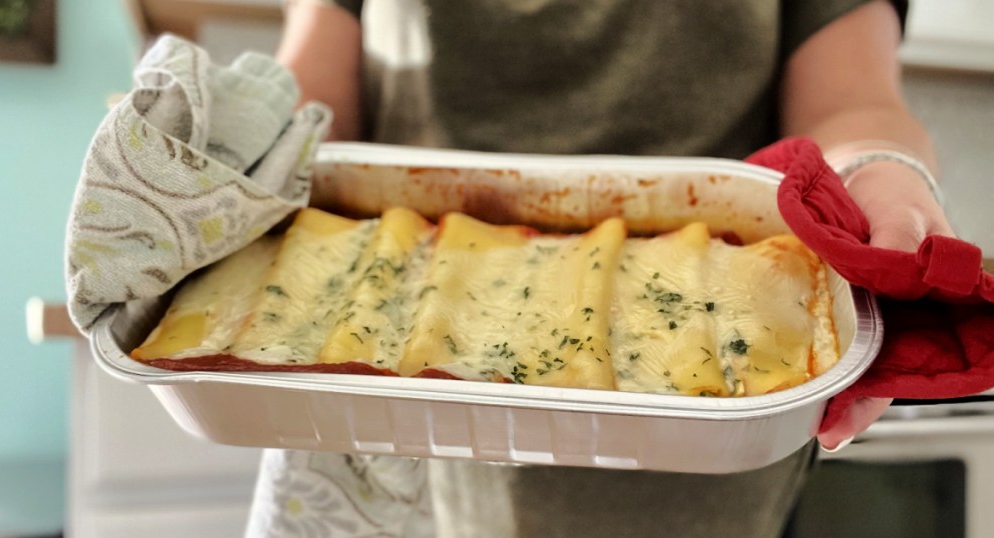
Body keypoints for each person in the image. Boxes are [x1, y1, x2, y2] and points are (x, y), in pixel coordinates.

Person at [251, 1, 956, 536]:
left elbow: (852, 100)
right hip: (397, 407)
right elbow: (315, 95)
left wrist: (876, 171)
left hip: (706, 433)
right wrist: (240, 147)